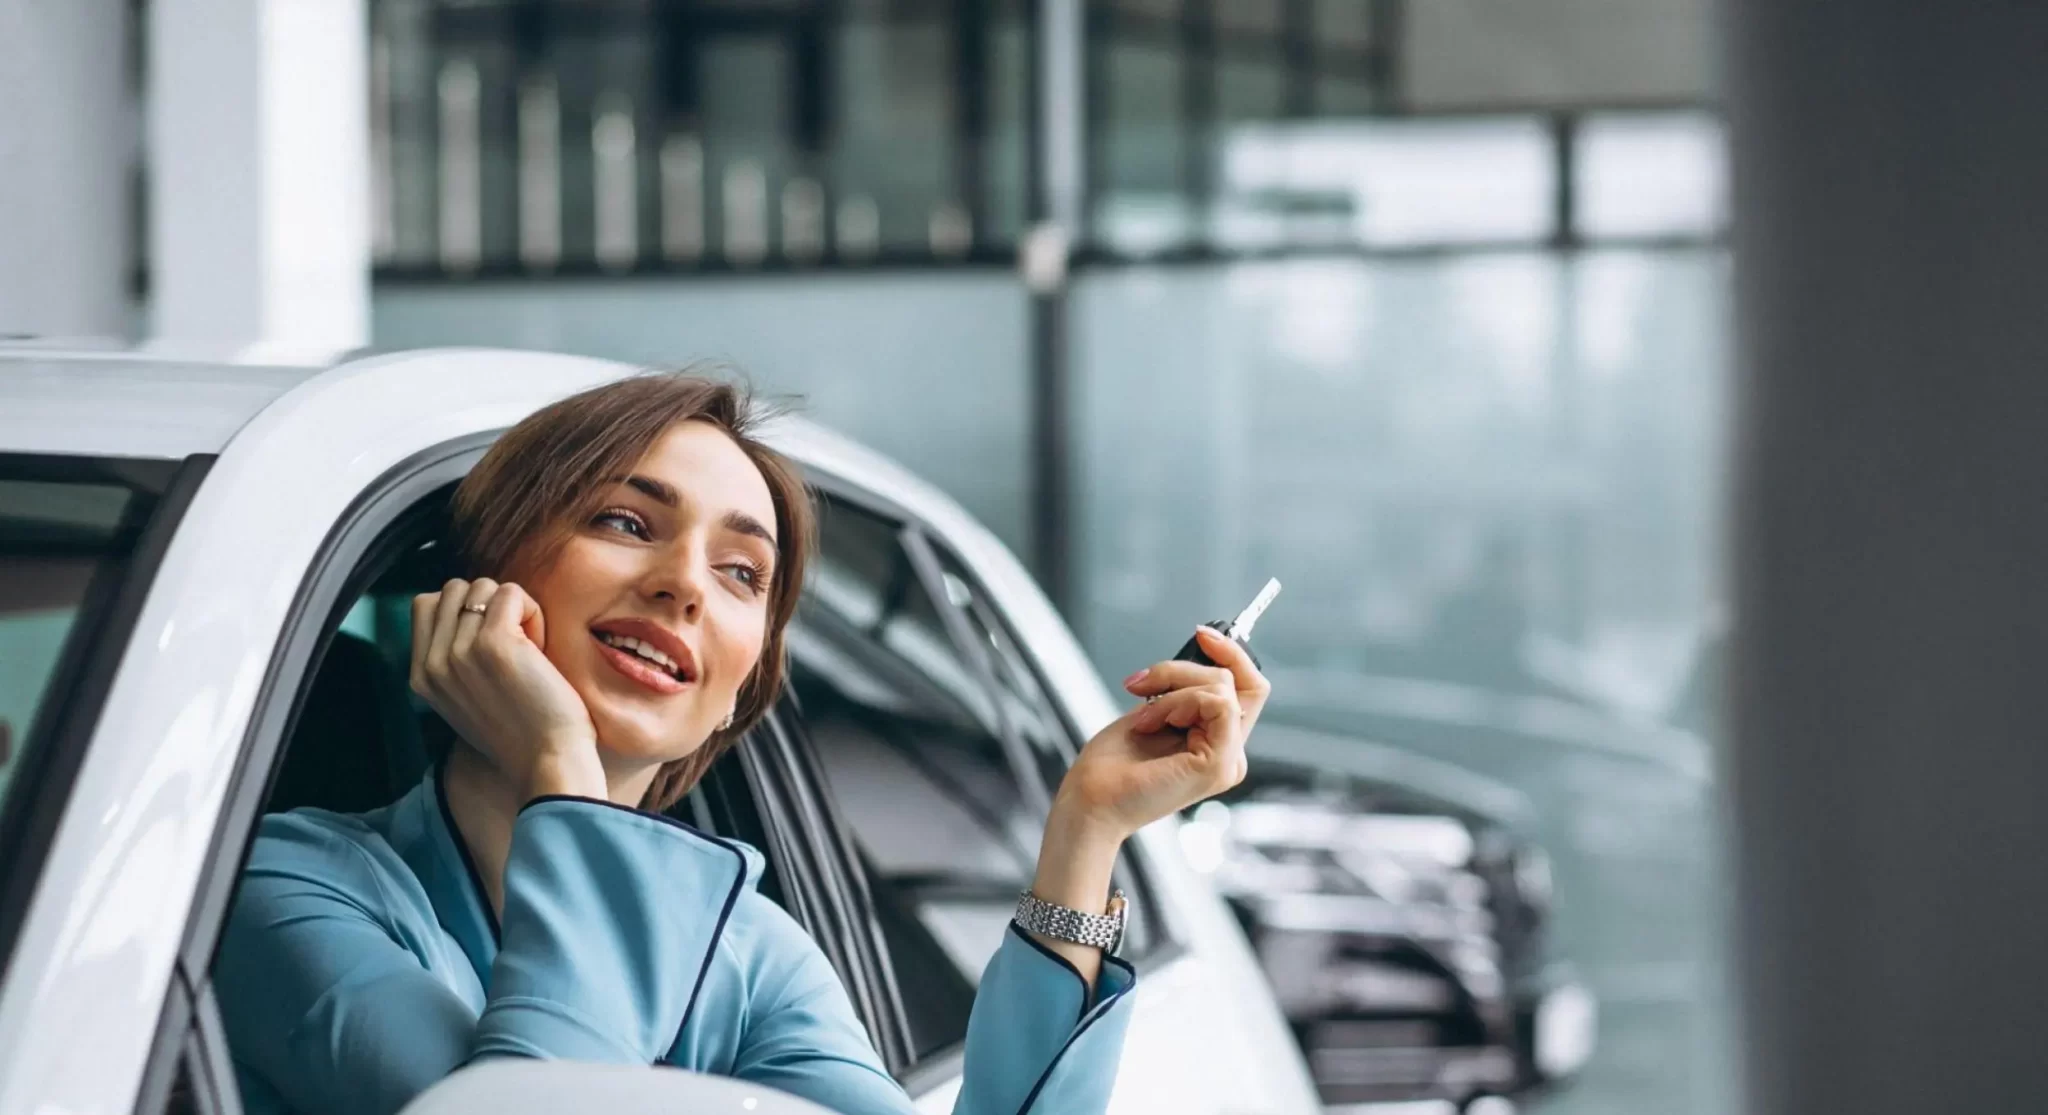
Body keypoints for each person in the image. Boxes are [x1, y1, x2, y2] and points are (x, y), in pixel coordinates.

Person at [214, 373, 1271, 1115]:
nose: (683, 582)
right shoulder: (277, 887)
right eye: (626, 522)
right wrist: (560, 774)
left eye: (740, 573)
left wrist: (1085, 828)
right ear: (480, 586)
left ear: (734, 693)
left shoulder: (742, 951)